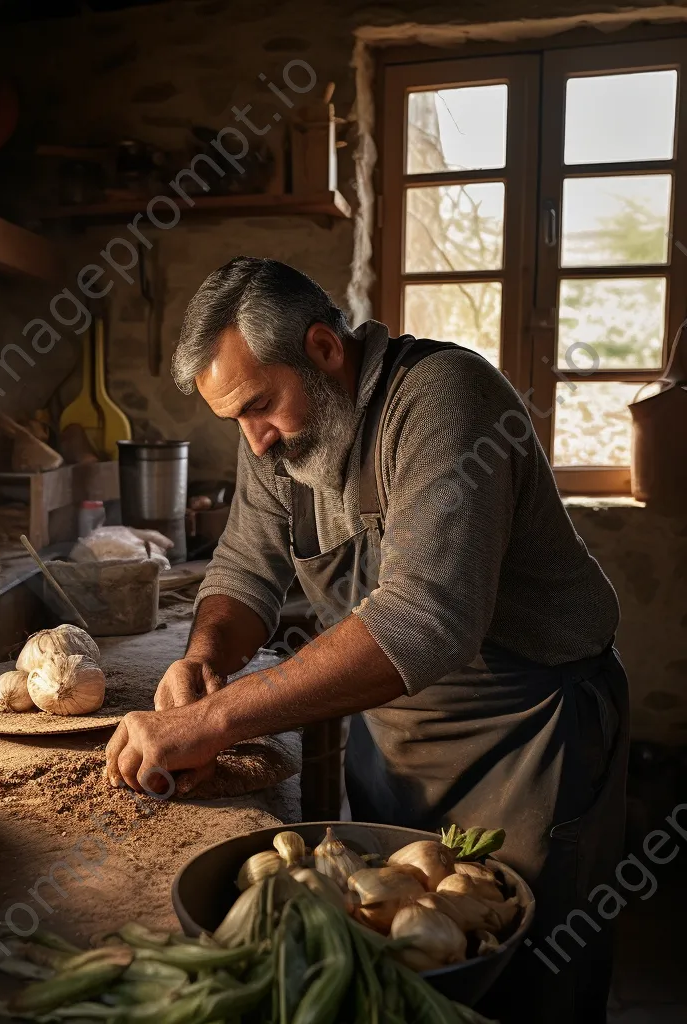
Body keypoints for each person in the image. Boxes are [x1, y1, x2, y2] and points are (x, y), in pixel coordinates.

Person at [104, 257, 629, 1022]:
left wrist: (212, 719)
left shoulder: (447, 398)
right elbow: (244, 570)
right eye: (237, 421)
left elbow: (424, 620)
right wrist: (201, 658)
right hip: (395, 744)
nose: (253, 443)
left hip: (530, 743)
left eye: (259, 406)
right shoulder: (279, 443)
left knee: (519, 977)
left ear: (323, 349)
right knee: (397, 963)